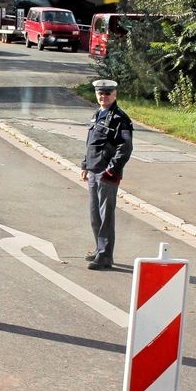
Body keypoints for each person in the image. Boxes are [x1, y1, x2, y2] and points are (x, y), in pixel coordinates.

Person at [81, 79, 133, 270]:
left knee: (105, 215)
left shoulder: (120, 119)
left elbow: (125, 147)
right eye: (100, 94)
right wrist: (85, 164)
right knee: (95, 213)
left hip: (106, 173)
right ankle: (99, 248)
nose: (103, 97)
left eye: (107, 93)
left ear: (115, 94)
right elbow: (91, 142)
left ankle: (105, 256)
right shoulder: (97, 114)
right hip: (94, 169)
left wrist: (112, 169)